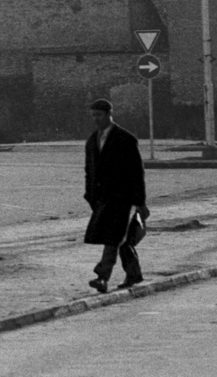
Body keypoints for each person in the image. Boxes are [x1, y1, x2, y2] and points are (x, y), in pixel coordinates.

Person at [83, 98, 149, 292]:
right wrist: (90, 195)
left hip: (123, 198)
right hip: (101, 198)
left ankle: (102, 276)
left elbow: (137, 172)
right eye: (93, 115)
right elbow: (89, 170)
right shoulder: (92, 140)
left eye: (99, 115)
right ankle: (134, 274)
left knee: (112, 238)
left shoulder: (125, 139)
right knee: (121, 238)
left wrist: (140, 202)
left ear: (109, 114)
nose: (96, 119)